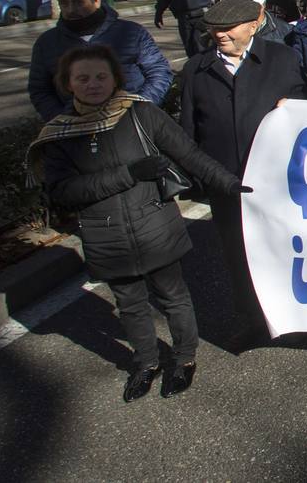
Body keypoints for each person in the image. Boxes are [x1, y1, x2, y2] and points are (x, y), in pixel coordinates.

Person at [28, 44, 246, 400]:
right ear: (68, 84)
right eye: (83, 78)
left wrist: (231, 185)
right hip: (105, 235)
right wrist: (128, 174)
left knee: (173, 297)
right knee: (129, 304)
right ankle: (145, 363)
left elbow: (189, 154)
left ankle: (184, 359)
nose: (93, 84)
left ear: (116, 77)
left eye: (101, 76)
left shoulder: (141, 114)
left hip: (155, 227)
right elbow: (63, 192)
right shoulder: (60, 134)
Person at [179, 0, 307, 350]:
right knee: (239, 257)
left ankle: (292, 318)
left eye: (228, 28)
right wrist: (199, 180)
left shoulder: (281, 58)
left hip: (278, 183)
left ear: (255, 23)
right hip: (226, 184)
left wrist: (294, 107)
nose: (219, 34)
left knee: (284, 251)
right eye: (215, 28)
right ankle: (253, 320)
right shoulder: (196, 69)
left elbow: (305, 107)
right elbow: (188, 128)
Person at [30, 0, 172, 121]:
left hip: (134, 119)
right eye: (64, 3)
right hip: (77, 130)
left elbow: (159, 71)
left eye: (78, 2)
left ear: (96, 0)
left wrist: (140, 108)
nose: (71, 9)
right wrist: (64, 119)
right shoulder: (47, 43)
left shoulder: (132, 32)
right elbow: (40, 89)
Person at [153, 0, 220, 56]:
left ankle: (206, 69)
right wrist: (159, 13)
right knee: (190, 49)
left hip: (202, 16)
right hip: (183, 18)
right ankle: (194, 69)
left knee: (202, 47)